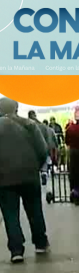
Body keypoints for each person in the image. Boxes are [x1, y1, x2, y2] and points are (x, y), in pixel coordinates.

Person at [0, 98, 50, 263]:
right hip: (30, 176)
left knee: (10, 215)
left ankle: (16, 250)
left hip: (4, 179)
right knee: (35, 210)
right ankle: (40, 243)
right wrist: (36, 166)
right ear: (16, 108)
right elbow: (43, 150)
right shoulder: (29, 125)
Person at [29, 110, 57, 184]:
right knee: (44, 163)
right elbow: (47, 138)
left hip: (32, 148)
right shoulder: (42, 125)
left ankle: (35, 178)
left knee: (34, 164)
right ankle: (44, 173)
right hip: (43, 147)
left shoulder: (27, 125)